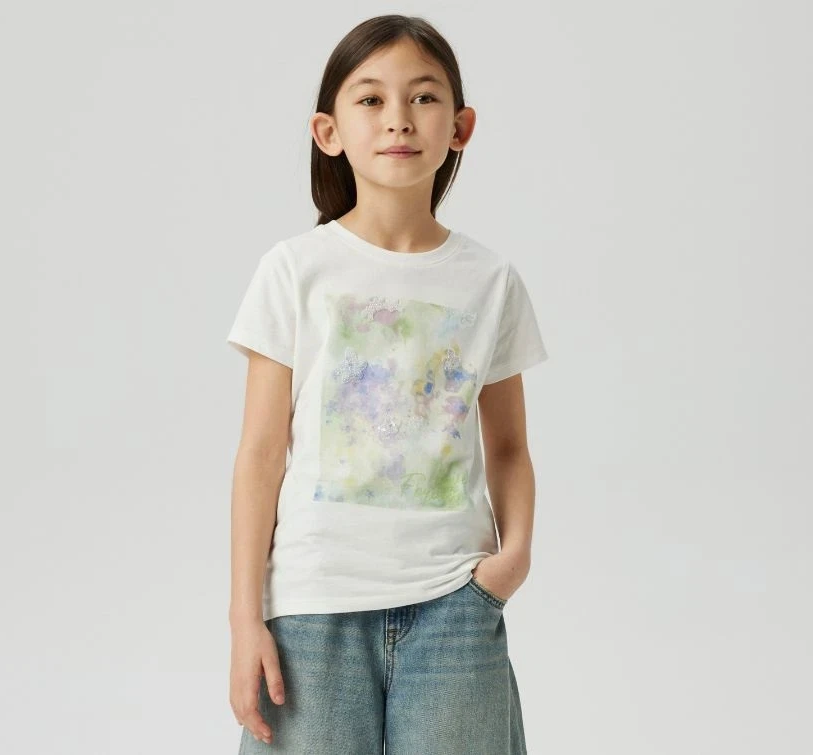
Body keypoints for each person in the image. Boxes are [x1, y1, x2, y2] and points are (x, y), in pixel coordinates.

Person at [226, 14, 549, 754]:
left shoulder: (490, 281)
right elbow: (260, 454)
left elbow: (508, 447)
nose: (398, 117)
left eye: (424, 97)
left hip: (454, 605)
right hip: (312, 608)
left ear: (460, 127)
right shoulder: (295, 270)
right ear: (328, 131)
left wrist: (512, 562)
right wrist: (246, 618)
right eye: (370, 99)